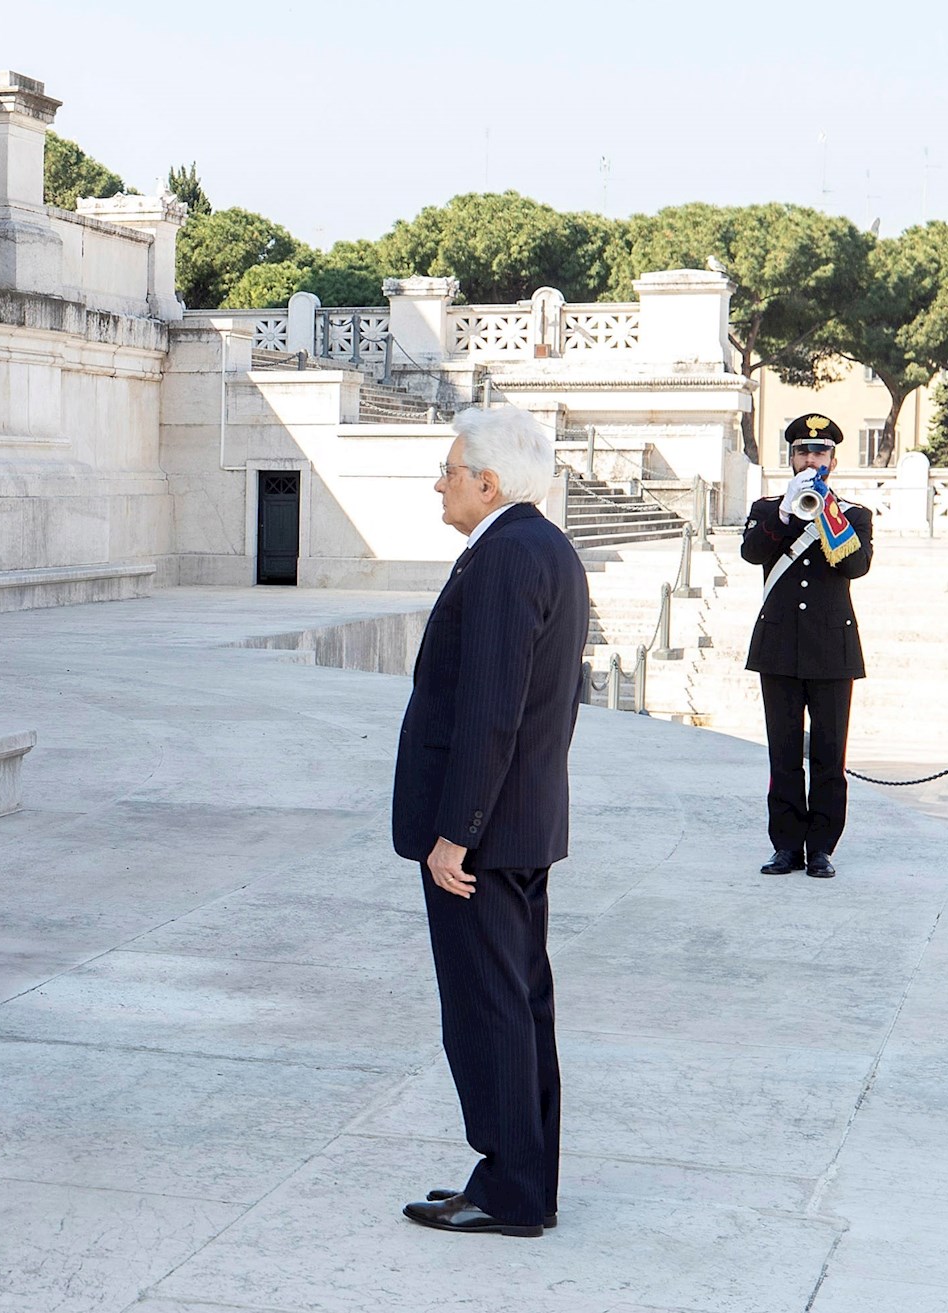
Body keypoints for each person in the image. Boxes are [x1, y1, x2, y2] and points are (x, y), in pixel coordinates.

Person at [392, 406, 587, 1239]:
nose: (439, 483)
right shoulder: (541, 546)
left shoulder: (506, 556)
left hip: (486, 834)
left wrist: (456, 830)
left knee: (489, 1009)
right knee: (517, 1003)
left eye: (449, 469)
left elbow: (492, 709)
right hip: (520, 823)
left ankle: (510, 1189)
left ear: (489, 482)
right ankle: (521, 1178)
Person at [740, 413, 874, 879]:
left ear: (832, 461)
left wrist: (826, 511)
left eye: (819, 452)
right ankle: (784, 846)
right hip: (778, 648)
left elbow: (855, 566)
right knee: (783, 753)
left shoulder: (853, 515)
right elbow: (754, 553)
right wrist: (785, 511)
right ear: (791, 458)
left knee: (828, 756)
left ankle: (821, 848)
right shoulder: (766, 509)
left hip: (832, 652)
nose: (810, 459)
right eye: (802, 451)